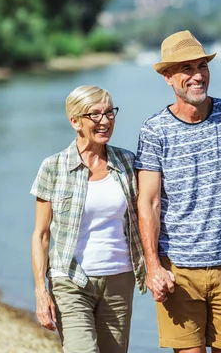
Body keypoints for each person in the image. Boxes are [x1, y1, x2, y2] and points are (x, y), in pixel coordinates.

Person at [135, 30, 221, 353]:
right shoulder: (154, 130)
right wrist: (153, 267)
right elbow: (149, 202)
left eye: (202, 66)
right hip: (177, 271)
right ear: (168, 76)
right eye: (187, 69)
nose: (198, 76)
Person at [30, 85, 146, 353]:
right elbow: (41, 234)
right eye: (94, 115)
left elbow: (148, 213)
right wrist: (40, 291)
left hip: (119, 278)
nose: (105, 121)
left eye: (109, 113)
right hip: (70, 280)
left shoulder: (128, 162)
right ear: (75, 121)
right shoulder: (54, 166)